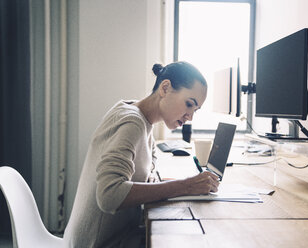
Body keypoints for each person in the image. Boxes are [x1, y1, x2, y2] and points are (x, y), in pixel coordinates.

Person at [64, 61, 220, 247]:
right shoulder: (133, 123)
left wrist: (184, 185)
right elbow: (109, 196)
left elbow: (145, 179)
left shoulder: (142, 120)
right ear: (165, 88)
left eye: (195, 110)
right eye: (189, 104)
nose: (190, 118)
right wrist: (185, 186)